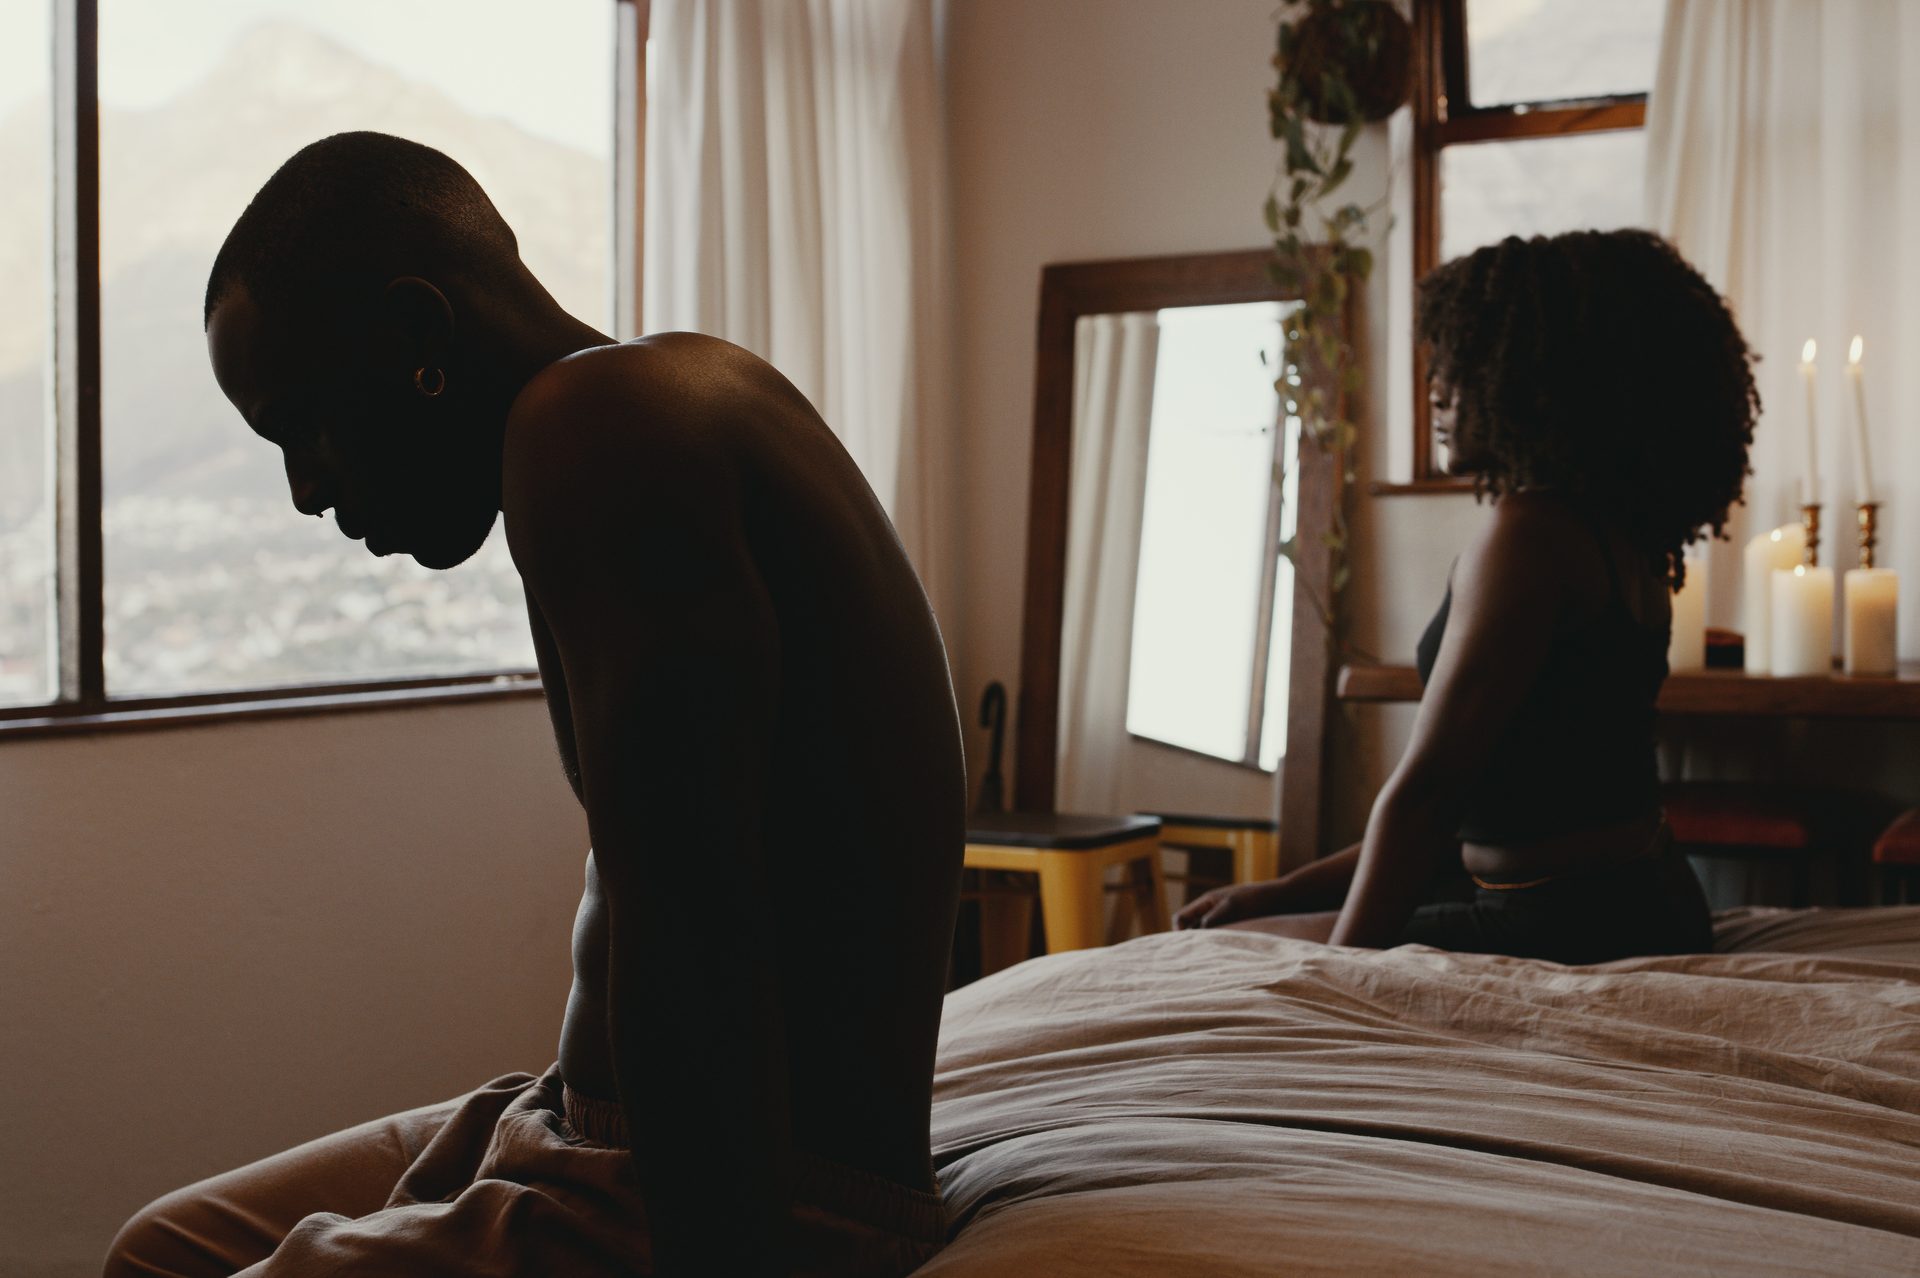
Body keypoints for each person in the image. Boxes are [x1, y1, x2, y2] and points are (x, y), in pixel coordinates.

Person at [105, 132, 964, 1277]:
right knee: (159, 1243)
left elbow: (694, 923)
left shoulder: (602, 426)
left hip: (718, 1188)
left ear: (420, 340)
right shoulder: (642, 400)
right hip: (572, 1121)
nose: (307, 490)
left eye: (306, 424)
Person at [1178, 229, 1756, 965]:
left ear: (1538, 376)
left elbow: (1427, 797)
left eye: (1463, 362)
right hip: (1646, 903)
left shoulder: (1530, 536)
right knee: (1249, 926)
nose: (1437, 388)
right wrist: (1281, 891)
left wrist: (1339, 978)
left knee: (1219, 953)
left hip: (1558, 925)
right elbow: (1487, 814)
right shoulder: (1623, 537)